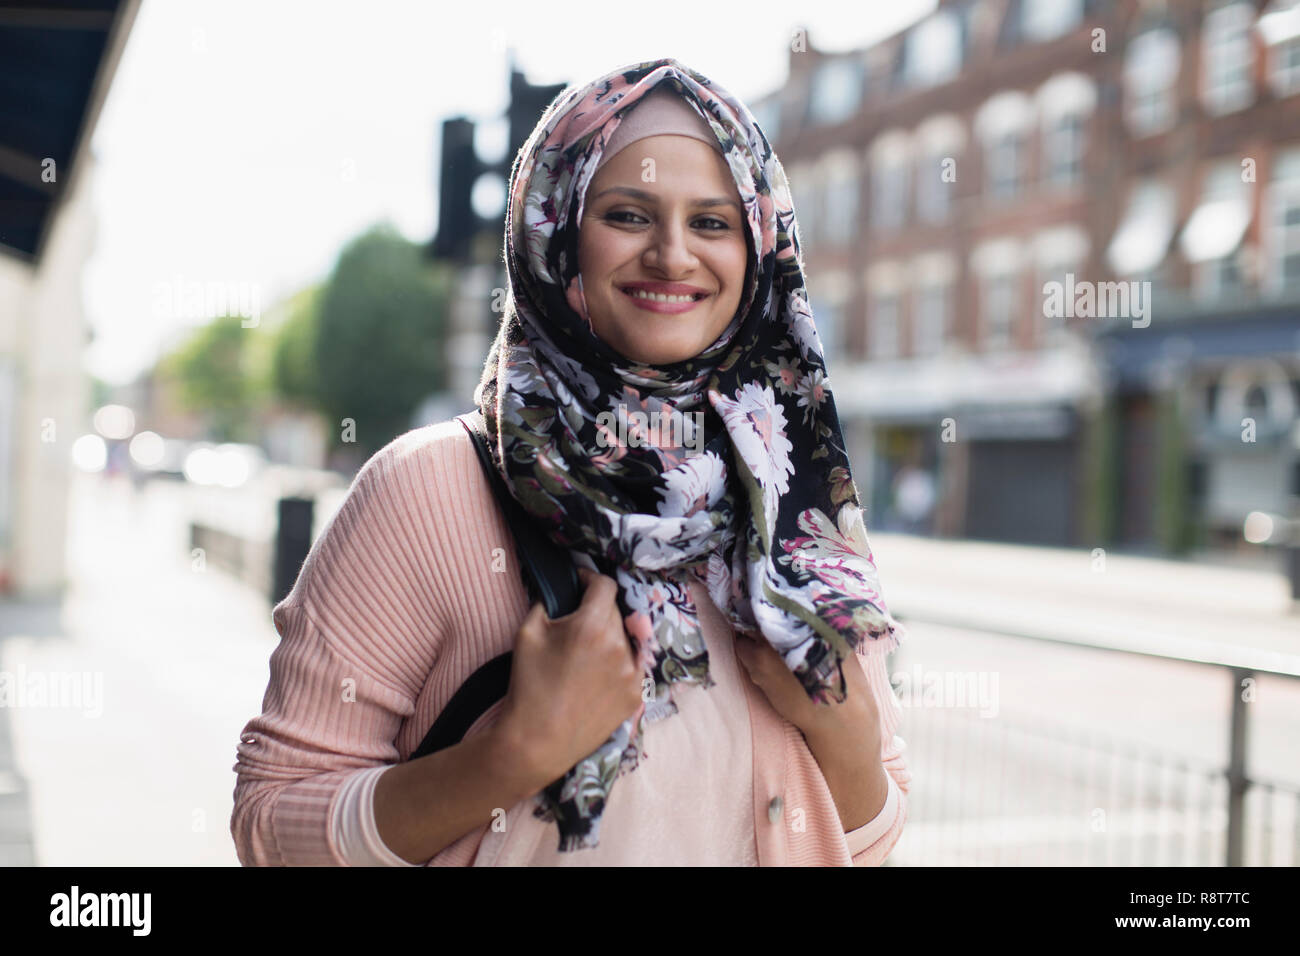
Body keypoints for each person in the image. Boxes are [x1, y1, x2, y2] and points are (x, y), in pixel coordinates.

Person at [230, 56, 911, 866]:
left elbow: (874, 836)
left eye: (714, 222)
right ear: (554, 229)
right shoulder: (430, 489)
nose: (673, 254)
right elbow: (271, 823)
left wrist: (849, 739)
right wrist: (509, 756)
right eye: (628, 214)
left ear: (761, 250)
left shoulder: (798, 505)